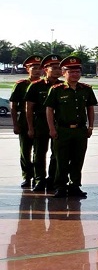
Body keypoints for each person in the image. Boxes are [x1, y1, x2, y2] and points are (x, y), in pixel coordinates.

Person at [44, 56, 98, 198]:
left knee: (78, 159)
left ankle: (75, 186)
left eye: (77, 72)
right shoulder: (56, 89)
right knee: (61, 160)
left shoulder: (86, 89)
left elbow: (90, 108)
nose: (75, 74)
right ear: (64, 73)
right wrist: (52, 128)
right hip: (63, 130)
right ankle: (60, 186)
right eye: (71, 72)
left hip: (80, 130)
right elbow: (49, 110)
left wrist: (91, 127)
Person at [25, 54, 62, 192]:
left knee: (57, 153)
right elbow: (29, 109)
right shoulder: (36, 86)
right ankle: (39, 179)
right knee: (39, 153)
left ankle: (52, 179)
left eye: (59, 68)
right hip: (40, 123)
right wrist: (30, 127)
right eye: (54, 68)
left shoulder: (63, 86)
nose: (58, 71)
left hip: (58, 123)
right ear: (46, 69)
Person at [11, 55, 42, 189]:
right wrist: (15, 124)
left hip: (40, 120)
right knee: (25, 151)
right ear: (27, 69)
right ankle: (27, 176)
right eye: (34, 68)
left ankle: (38, 177)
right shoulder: (21, 85)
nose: (37, 71)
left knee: (39, 152)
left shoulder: (45, 85)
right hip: (24, 120)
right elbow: (13, 106)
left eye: (39, 68)